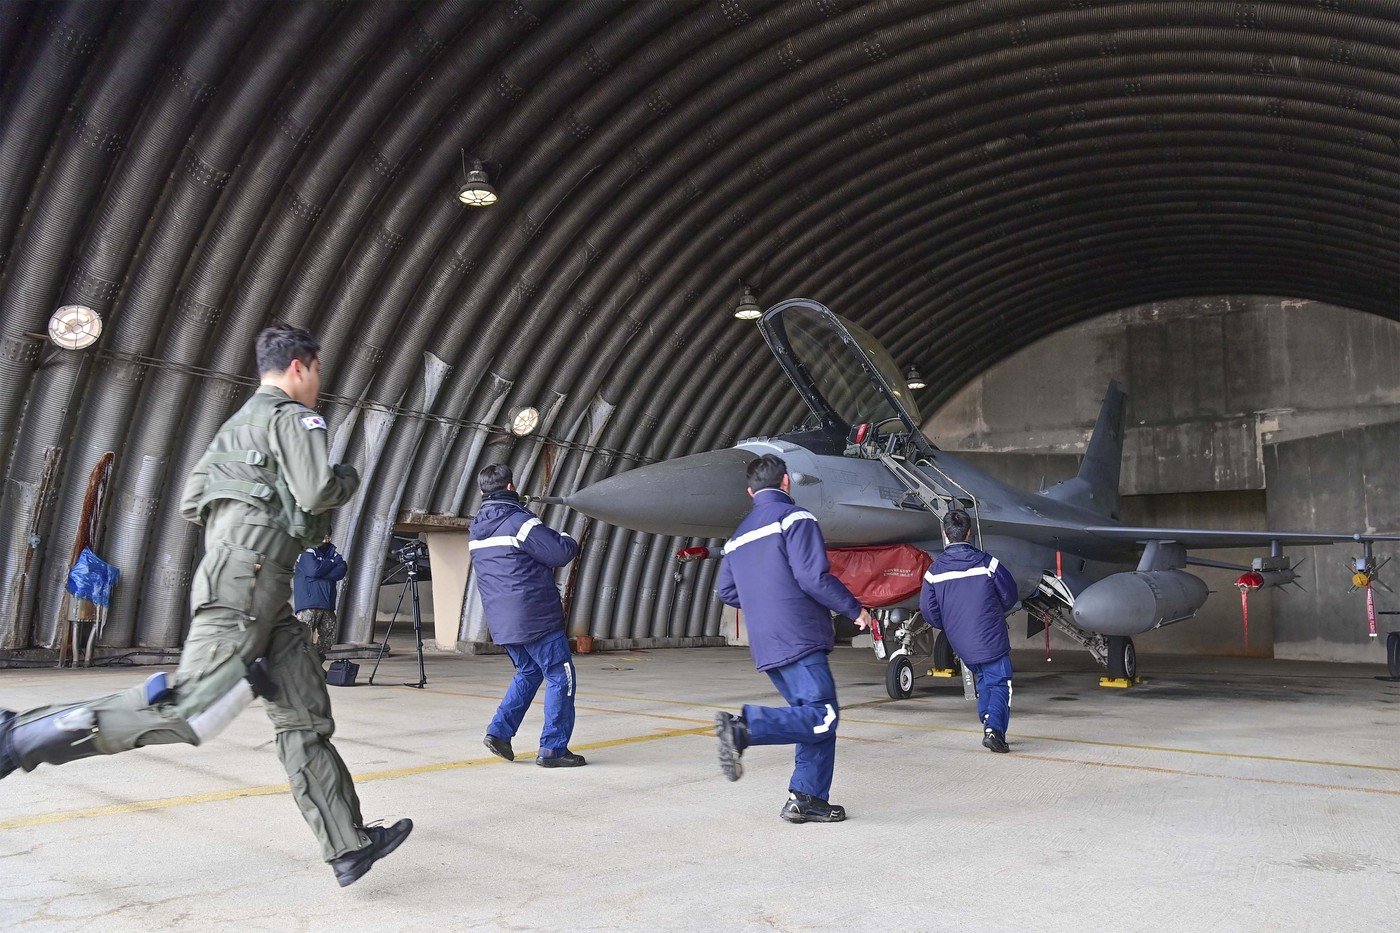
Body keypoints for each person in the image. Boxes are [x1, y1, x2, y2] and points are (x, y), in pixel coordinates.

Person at [0, 324, 411, 888]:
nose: (318, 382)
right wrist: (348, 476)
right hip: (249, 582)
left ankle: (347, 844)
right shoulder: (294, 418)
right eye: (317, 371)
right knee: (191, 710)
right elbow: (318, 491)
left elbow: (193, 502)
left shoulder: (232, 428)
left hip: (257, 585)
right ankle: (19, 737)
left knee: (305, 718)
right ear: (300, 367)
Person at [712, 454, 875, 823]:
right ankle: (744, 729)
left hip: (767, 642)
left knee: (810, 716)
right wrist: (855, 609)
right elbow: (812, 576)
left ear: (750, 492)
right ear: (786, 482)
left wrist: (766, 600)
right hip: (799, 635)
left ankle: (806, 798)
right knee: (823, 715)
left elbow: (727, 591)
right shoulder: (795, 518)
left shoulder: (736, 539)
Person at [469, 463, 584, 768]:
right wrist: (566, 536)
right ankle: (553, 749)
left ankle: (499, 733)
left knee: (529, 672)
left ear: (481, 491)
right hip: (535, 617)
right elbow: (560, 553)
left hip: (502, 621)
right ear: (511, 487)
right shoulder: (520, 522)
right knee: (561, 676)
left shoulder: (476, 530)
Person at [920, 509, 1019, 753]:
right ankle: (994, 730)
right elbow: (1009, 595)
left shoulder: (934, 572)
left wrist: (952, 624)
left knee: (984, 679)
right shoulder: (987, 563)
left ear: (946, 534)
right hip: (990, 635)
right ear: (969, 533)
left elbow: (929, 611)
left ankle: (988, 722)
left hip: (961, 641)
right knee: (999, 683)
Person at [295, 535, 347, 660]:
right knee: (302, 640)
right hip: (308, 604)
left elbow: (342, 570)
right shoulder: (306, 552)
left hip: (327, 604)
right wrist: (331, 563)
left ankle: (314, 664)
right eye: (322, 536)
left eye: (327, 536)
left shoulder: (333, 553)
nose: (324, 540)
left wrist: (321, 571)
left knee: (329, 638)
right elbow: (313, 570)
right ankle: (302, 666)